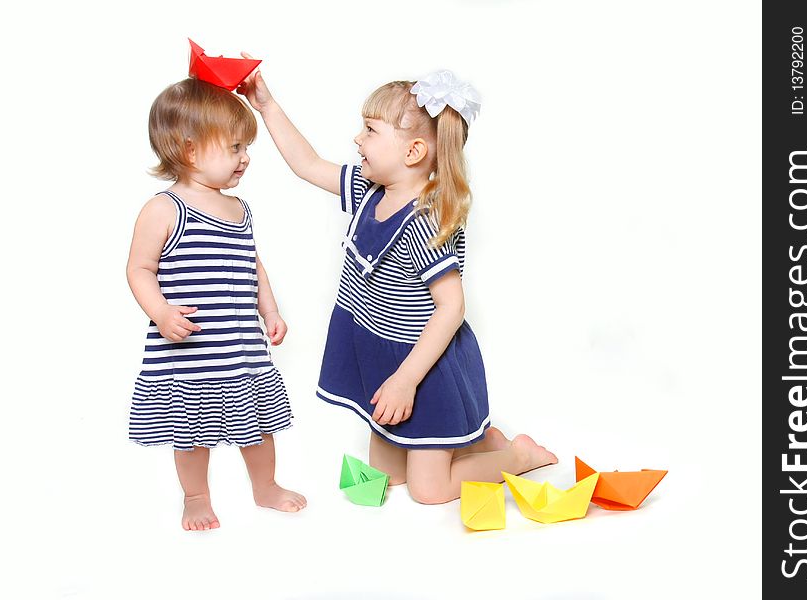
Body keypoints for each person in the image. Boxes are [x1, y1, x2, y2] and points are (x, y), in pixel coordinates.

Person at [238, 66, 557, 504]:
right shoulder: (371, 189)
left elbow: (451, 308)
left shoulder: (423, 221)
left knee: (429, 491)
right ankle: (477, 441)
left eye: (369, 131)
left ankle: (514, 458)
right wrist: (267, 106)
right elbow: (308, 165)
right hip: (381, 352)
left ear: (413, 151)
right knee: (390, 479)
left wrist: (406, 381)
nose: (357, 140)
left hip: (422, 367)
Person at [126, 77, 306, 530]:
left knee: (260, 426)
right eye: (234, 147)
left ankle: (266, 487)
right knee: (188, 436)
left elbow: (254, 266)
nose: (245, 157)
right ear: (189, 151)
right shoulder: (165, 209)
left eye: (246, 146)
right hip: (191, 353)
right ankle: (195, 496)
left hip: (242, 349)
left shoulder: (239, 209)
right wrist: (161, 312)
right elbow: (139, 269)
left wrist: (271, 311)